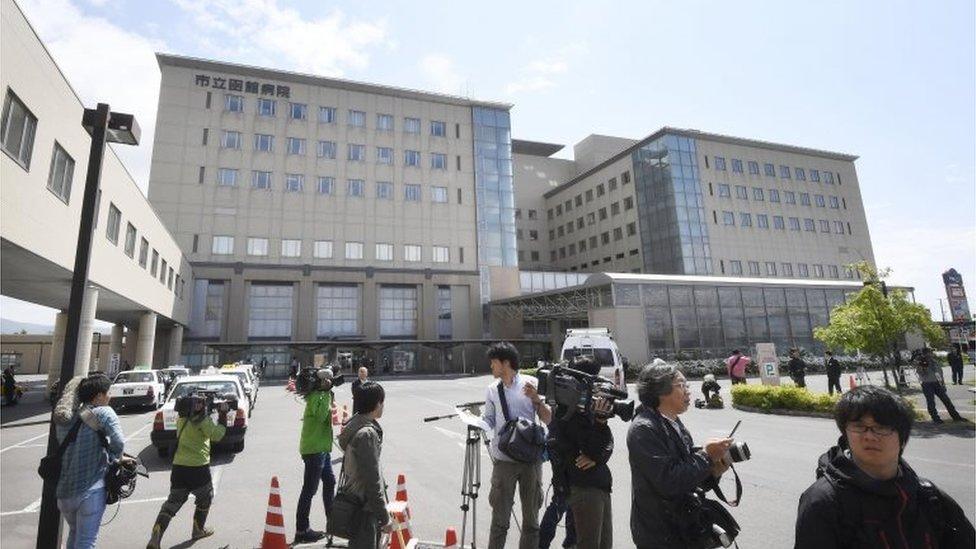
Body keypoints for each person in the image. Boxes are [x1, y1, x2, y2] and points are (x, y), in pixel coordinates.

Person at [795, 385, 975, 548]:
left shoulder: (927, 496)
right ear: (845, 434)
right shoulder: (824, 501)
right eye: (859, 426)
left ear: (903, 439)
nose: (870, 436)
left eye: (881, 427)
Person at [627, 362, 733, 549]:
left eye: (687, 385)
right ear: (660, 390)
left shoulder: (673, 422)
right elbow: (668, 481)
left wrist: (714, 471)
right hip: (660, 533)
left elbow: (690, 480)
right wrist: (706, 457)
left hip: (683, 526)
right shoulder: (644, 429)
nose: (688, 391)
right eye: (681, 385)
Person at [481, 341, 552, 549]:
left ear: (505, 363)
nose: (491, 367)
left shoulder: (531, 383)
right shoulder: (492, 389)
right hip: (504, 461)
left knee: (531, 522)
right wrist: (475, 422)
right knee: (499, 521)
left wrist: (536, 399)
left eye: (493, 363)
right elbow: (490, 420)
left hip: (531, 461)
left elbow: (547, 419)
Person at [147, 391, 230, 548]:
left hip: (179, 468)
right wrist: (223, 415)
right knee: (205, 497)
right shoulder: (203, 422)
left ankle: (156, 535)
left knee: (172, 503)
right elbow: (218, 435)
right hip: (197, 468)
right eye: (198, 402)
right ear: (192, 406)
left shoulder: (181, 419)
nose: (202, 404)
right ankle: (198, 529)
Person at [546, 357, 614, 549]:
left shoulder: (585, 408)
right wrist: (600, 423)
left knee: (604, 544)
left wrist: (597, 458)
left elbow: (606, 446)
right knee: (588, 543)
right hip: (584, 488)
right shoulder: (567, 413)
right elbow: (591, 448)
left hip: (599, 485)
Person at [53, 373, 127, 549]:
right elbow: (119, 442)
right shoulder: (104, 412)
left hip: (64, 493)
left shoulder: (66, 418)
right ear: (99, 395)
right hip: (90, 490)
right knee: (86, 542)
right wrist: (115, 458)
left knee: (75, 534)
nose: (110, 396)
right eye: (108, 392)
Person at [337, 381, 391, 549]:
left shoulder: (355, 424)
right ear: (376, 404)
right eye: (382, 402)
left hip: (353, 500)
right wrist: (384, 516)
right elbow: (371, 478)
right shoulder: (367, 435)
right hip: (365, 507)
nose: (383, 406)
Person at [294, 369, 338, 543]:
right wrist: (326, 393)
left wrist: (327, 393)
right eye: (328, 381)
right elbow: (321, 417)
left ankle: (332, 521)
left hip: (322, 449)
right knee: (309, 490)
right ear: (321, 382)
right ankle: (302, 530)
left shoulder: (319, 395)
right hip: (314, 450)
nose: (330, 383)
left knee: (330, 481)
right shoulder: (315, 397)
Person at [914, 348, 963, 424]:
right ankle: (936, 418)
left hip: (937, 383)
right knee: (931, 402)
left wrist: (943, 384)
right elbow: (921, 373)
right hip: (927, 384)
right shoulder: (921, 363)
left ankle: (956, 416)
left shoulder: (935, 362)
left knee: (946, 400)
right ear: (925, 354)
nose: (930, 354)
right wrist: (923, 366)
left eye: (930, 353)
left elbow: (940, 373)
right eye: (929, 353)